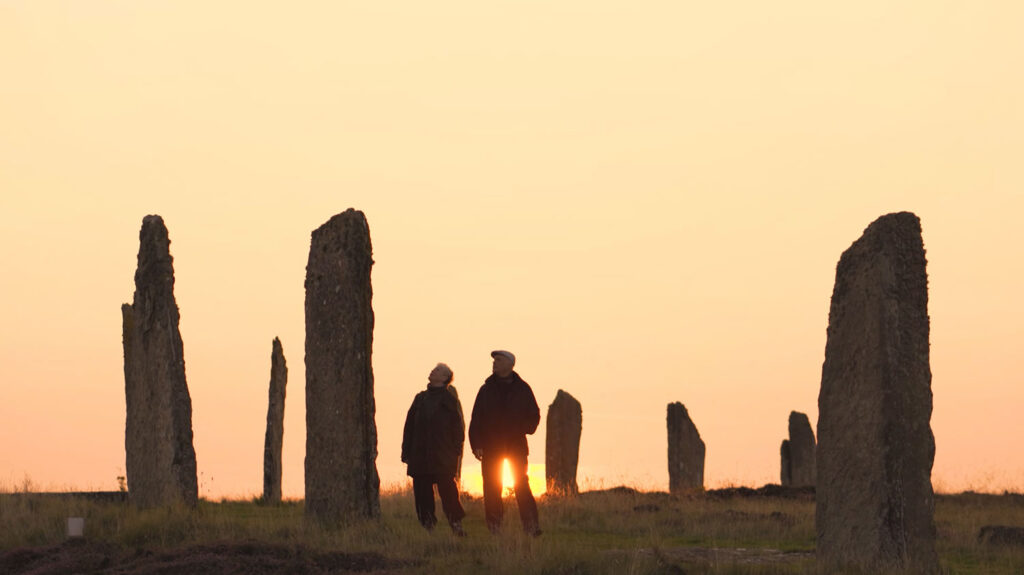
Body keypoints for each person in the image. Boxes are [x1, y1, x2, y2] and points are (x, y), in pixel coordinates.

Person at [469, 350, 541, 535]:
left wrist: (523, 428)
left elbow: (534, 415)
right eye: (494, 360)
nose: (494, 363)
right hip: (491, 445)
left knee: (521, 485)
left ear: (510, 364)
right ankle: (495, 527)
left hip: (516, 445)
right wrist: (476, 444)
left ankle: (531, 527)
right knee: (492, 487)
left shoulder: (523, 389)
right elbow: (476, 418)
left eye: (499, 360)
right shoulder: (485, 390)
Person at [401, 362, 467, 535]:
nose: (432, 371)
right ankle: (428, 527)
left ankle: (456, 524)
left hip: (443, 455)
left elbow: (458, 428)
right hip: (420, 455)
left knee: (449, 492)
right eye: (434, 369)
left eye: (437, 370)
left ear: (445, 377)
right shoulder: (420, 398)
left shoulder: (450, 400)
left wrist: (455, 452)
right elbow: (409, 426)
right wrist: (406, 451)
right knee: (422, 494)